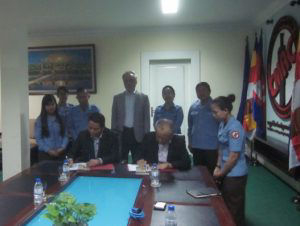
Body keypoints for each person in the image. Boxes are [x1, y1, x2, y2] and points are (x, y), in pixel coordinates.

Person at [211, 94, 248, 226]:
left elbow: (233, 157)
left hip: (235, 173)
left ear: (226, 110)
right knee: (224, 203)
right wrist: (218, 166)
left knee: (234, 208)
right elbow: (221, 147)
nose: (213, 115)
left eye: (215, 112)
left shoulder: (235, 128)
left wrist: (221, 173)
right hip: (225, 169)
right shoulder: (222, 123)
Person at [111, 71, 150, 163]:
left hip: (138, 134)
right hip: (122, 133)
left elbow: (146, 118)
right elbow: (114, 116)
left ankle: (137, 177)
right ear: (123, 82)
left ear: (136, 81)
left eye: (131, 80)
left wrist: (147, 135)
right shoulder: (117, 98)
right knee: (121, 160)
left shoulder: (144, 98)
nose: (129, 83)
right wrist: (113, 133)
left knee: (138, 160)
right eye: (126, 81)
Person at [188, 82, 219, 174]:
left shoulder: (216, 106)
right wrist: (190, 142)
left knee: (211, 172)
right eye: (198, 91)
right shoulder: (193, 107)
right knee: (198, 172)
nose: (201, 93)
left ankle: (213, 188)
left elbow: (222, 126)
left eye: (203, 90)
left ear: (209, 91)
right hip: (196, 146)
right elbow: (190, 127)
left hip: (212, 147)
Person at [35, 94, 68, 161]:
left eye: (52, 104)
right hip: (45, 154)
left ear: (55, 104)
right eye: (48, 105)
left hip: (61, 153)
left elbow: (65, 135)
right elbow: (38, 139)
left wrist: (62, 147)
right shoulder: (39, 120)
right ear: (44, 106)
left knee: (61, 171)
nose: (51, 107)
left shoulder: (61, 118)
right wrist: (49, 151)